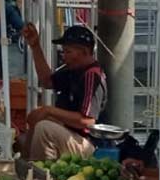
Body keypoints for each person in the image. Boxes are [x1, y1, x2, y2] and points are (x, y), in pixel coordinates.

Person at [20, 24, 107, 160]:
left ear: (84, 51)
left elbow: (87, 121)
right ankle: (27, 166)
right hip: (70, 133)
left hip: (87, 143)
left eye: (67, 52)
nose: (63, 56)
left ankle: (41, 174)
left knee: (44, 128)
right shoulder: (73, 69)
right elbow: (47, 81)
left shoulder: (92, 75)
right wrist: (35, 46)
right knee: (37, 122)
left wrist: (49, 110)